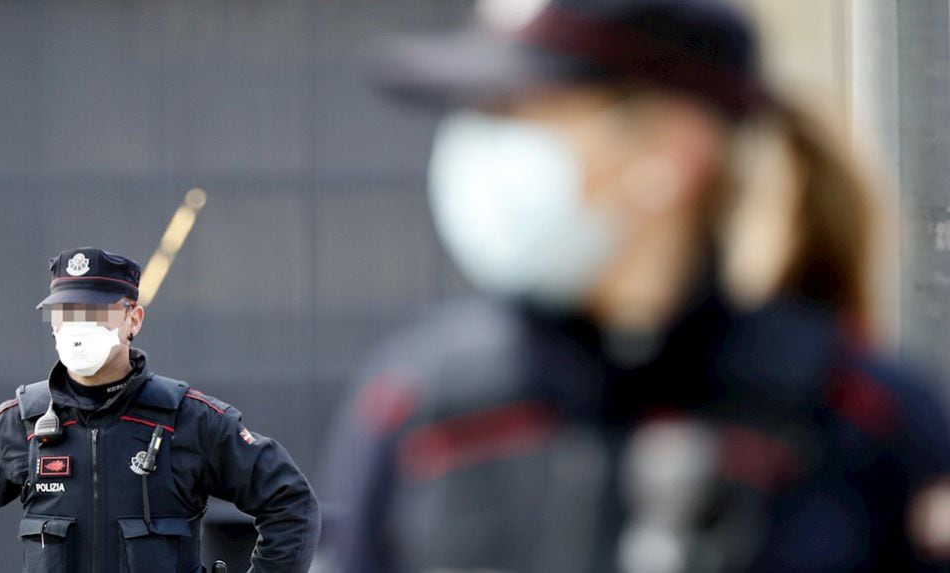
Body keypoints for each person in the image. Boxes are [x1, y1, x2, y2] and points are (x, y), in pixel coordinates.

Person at [325, 0, 950, 571]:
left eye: (521, 111)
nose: (485, 146)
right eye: (484, 113)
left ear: (672, 151)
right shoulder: (420, 410)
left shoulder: (856, 420)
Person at [0, 247, 320, 573]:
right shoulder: (23, 423)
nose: (76, 326)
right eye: (65, 313)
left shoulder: (189, 420)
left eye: (94, 312)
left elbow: (291, 503)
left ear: (133, 319)